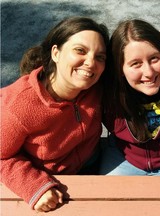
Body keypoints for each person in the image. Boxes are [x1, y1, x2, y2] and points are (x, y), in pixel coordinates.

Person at [0, 16, 109, 212]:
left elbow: (137, 46)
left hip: (94, 162)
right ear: (56, 53)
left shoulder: (96, 85)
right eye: (80, 51)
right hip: (50, 181)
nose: (91, 63)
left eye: (100, 56)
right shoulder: (18, 105)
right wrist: (33, 185)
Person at [99, 19, 160, 176]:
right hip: (123, 156)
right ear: (119, 67)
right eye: (136, 64)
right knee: (107, 199)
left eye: (154, 59)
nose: (149, 72)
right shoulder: (106, 83)